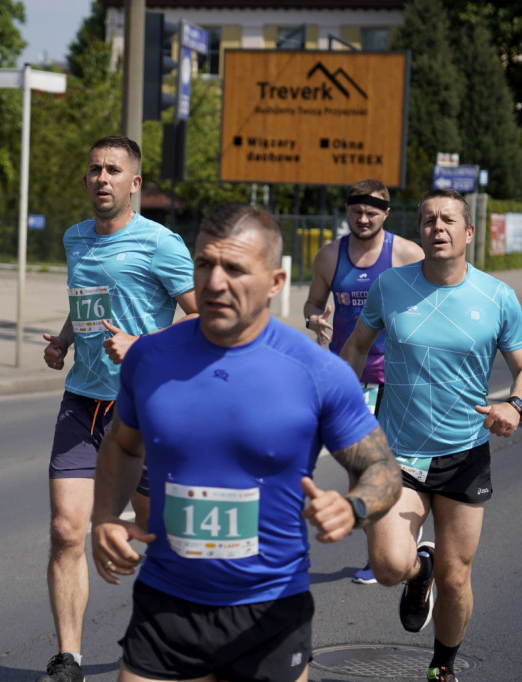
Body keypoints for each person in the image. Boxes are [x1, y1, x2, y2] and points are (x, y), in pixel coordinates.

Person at [90, 203, 402, 682]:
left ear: (275, 283)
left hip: (271, 610)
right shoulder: (149, 358)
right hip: (167, 604)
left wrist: (354, 507)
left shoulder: (317, 371)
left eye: (234, 269)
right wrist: (106, 517)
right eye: (204, 265)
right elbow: (123, 446)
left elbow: (382, 467)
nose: (215, 283)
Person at [341, 189, 522, 682]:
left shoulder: (497, 296)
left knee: (456, 578)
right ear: (420, 230)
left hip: (463, 453)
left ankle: (442, 667)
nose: (438, 228)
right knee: (388, 565)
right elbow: (356, 348)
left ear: (468, 233)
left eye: (449, 220)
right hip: (396, 454)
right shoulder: (390, 286)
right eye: (429, 220)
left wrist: (514, 406)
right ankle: (416, 571)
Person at [38, 136, 197, 682]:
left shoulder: (162, 244)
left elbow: (205, 319)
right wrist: (63, 342)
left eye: (113, 170)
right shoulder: (75, 238)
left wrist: (143, 347)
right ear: (85, 182)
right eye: (94, 170)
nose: (102, 178)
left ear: (134, 184)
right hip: (83, 402)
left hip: (145, 406)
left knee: (158, 536)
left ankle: (178, 637)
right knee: (65, 529)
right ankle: (69, 659)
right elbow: (85, 300)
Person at [303, 178, 424, 584]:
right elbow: (314, 302)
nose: (364, 217)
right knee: (360, 468)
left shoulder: (406, 253)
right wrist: (313, 318)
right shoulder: (329, 256)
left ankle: (390, 548)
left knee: (393, 464)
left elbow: (434, 298)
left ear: (386, 213)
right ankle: (382, 547)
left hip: (398, 376)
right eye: (357, 210)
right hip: (349, 375)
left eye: (373, 211)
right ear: (347, 211)